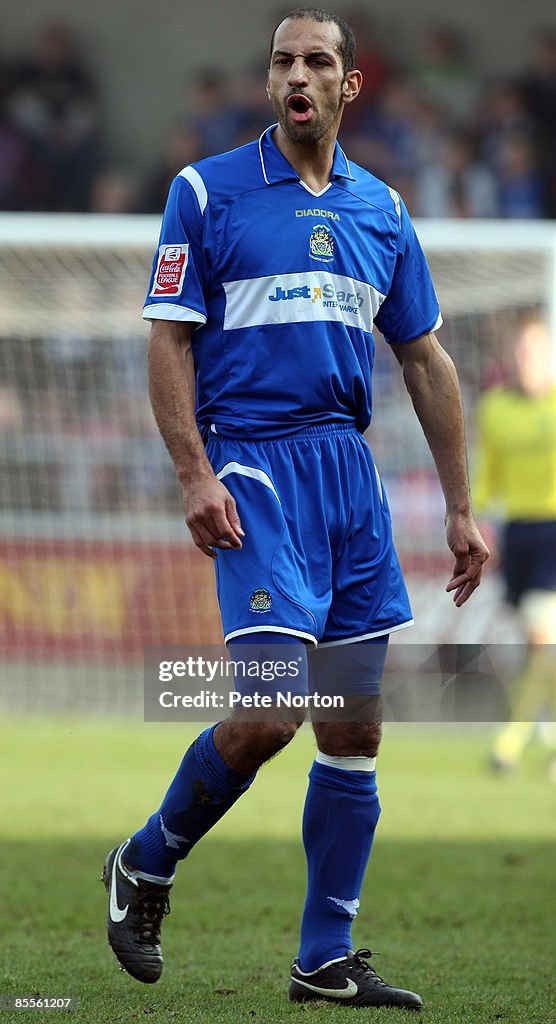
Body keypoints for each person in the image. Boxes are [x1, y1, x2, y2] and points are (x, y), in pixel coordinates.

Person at [103, 7, 488, 1010]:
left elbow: (425, 359)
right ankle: (146, 861)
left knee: (352, 728)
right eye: (283, 62)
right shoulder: (206, 190)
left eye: (318, 61)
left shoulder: (383, 211)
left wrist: (459, 506)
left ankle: (324, 957)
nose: (298, 76)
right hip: (253, 464)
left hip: (345, 477)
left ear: (350, 85)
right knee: (271, 707)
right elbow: (167, 338)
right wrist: (195, 473)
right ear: (269, 80)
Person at [474, 316, 556, 774]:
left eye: (534, 353)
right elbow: (491, 471)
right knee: (534, 643)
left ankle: (511, 740)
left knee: (544, 638)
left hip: (554, 528)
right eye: (519, 353)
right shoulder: (495, 408)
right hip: (519, 533)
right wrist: (475, 517)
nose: (526, 362)